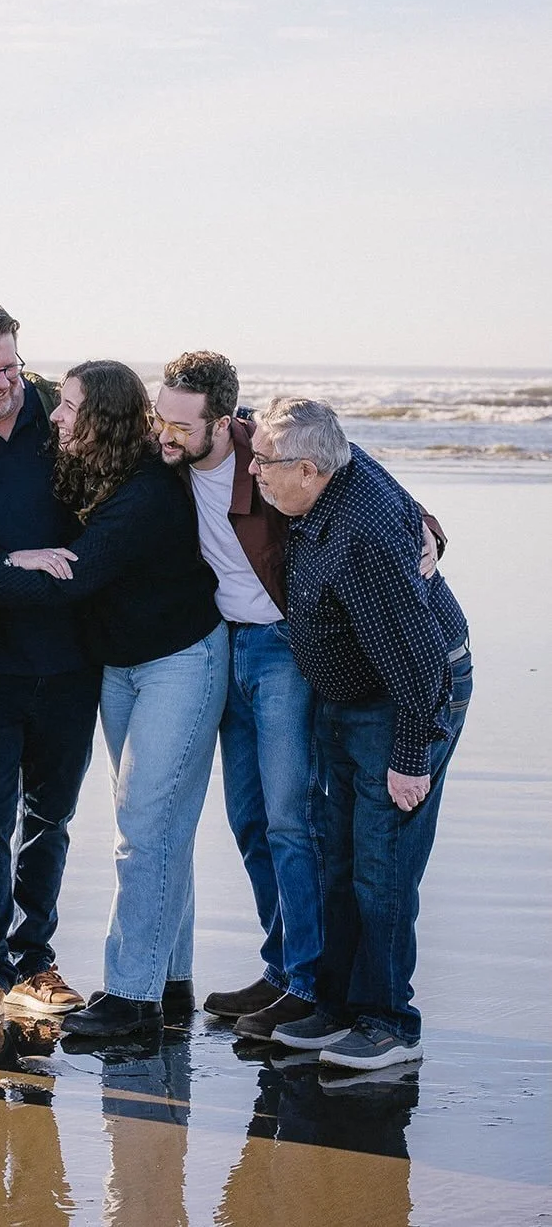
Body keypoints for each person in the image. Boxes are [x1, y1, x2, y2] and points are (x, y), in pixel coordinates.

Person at [154, 353, 446, 1042]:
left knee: (294, 822)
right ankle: (282, 964)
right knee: (251, 819)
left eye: (178, 423)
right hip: (222, 645)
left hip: (289, 646)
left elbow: (360, 474)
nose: (163, 434)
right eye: (157, 417)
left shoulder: (273, 451)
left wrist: (428, 528)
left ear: (225, 423)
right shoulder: (161, 458)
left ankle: (314, 984)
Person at [0, 360, 228, 1039]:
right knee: (162, 828)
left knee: (142, 828)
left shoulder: (142, 491)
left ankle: (130, 998)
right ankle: (169, 979)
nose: (55, 416)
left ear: (99, 416)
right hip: (120, 665)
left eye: (69, 407)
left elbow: (65, 582)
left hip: (178, 660)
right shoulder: (97, 466)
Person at [247, 399, 471, 1070]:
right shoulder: (332, 465)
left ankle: (389, 1024)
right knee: (336, 857)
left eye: (264, 464)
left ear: (309, 470)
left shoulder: (362, 539)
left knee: (382, 866)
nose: (253, 472)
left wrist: (410, 758)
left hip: (405, 702)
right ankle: (338, 1007)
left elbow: (420, 663)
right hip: (352, 694)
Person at [0, 301, 100, 1025]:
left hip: (71, 656)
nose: (2, 381)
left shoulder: (57, 411)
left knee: (51, 818)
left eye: (10, 364)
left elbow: (156, 436)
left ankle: (35, 961)